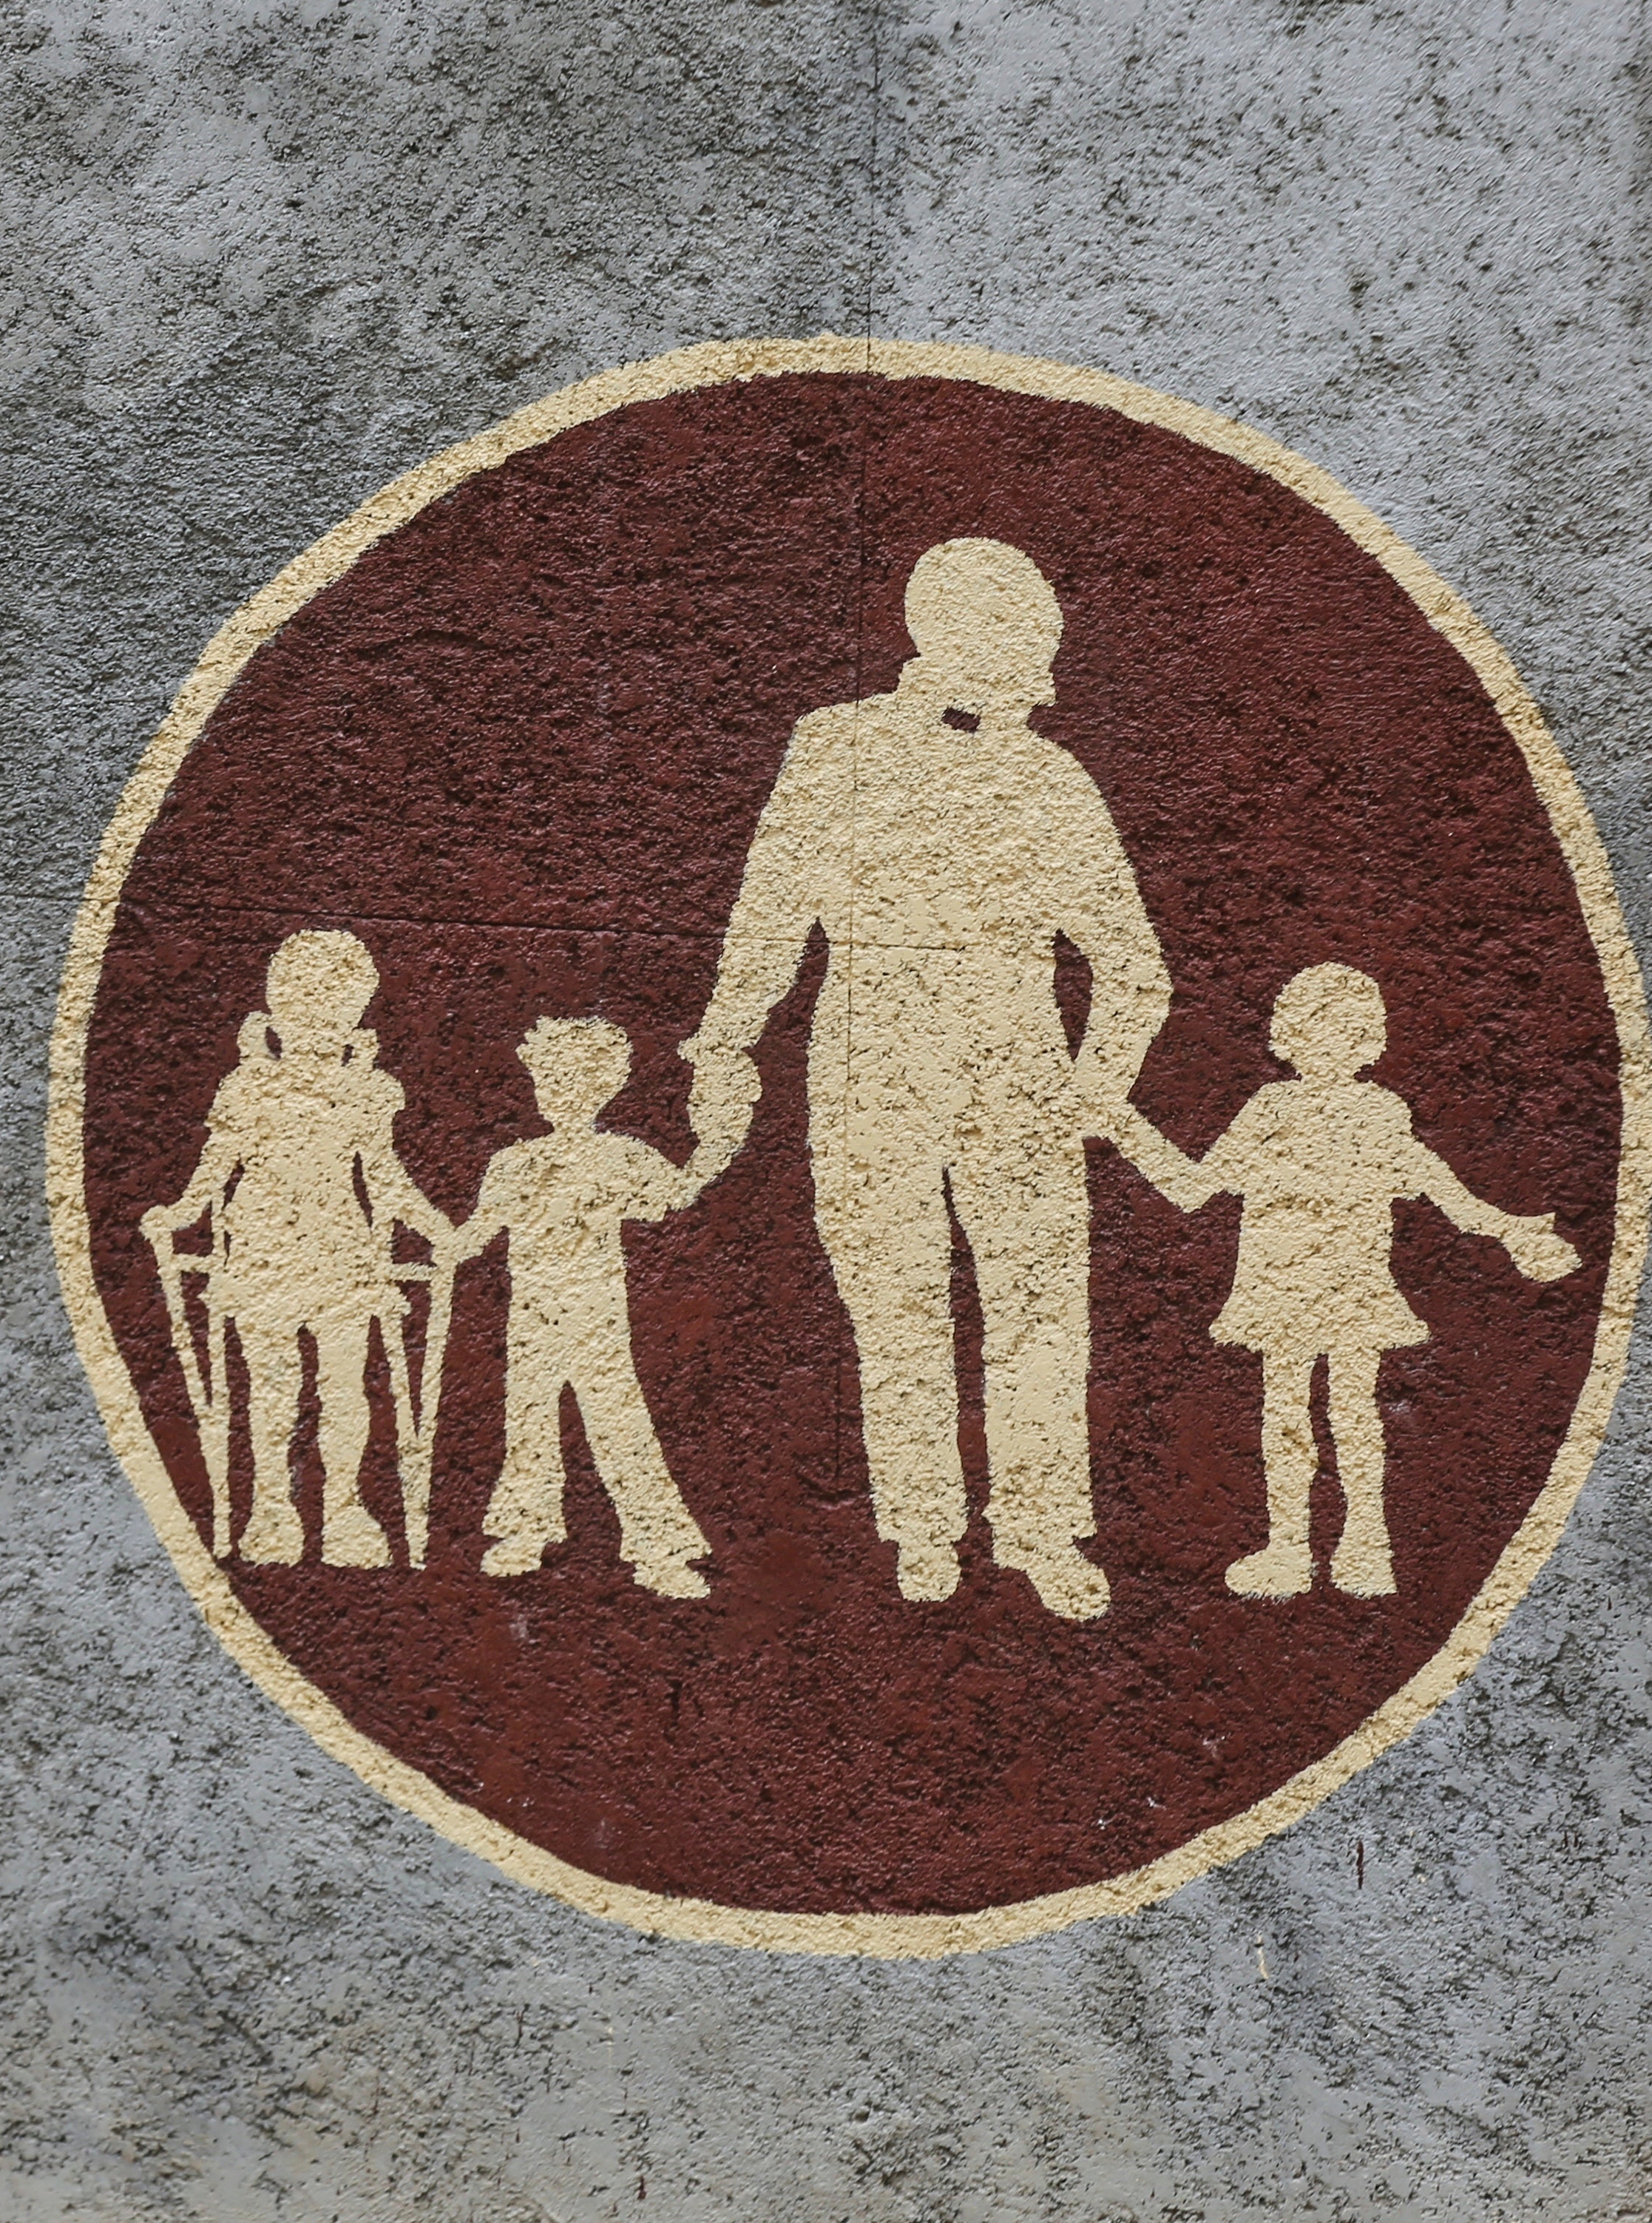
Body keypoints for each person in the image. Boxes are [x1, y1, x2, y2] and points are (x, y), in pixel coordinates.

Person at [679, 537, 1168, 1620]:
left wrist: (1090, 1092)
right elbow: (769, 916)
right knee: (893, 1301)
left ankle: (1041, 1529)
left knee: (1039, 1304)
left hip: (1019, 1060)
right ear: (945, 635)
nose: (1037, 662)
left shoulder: (1051, 778)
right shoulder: (835, 745)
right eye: (1019, 638)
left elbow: (1136, 970)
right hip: (869, 1055)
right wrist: (722, 1042)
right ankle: (923, 1528)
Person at [1113, 963, 1581, 1597]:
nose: (1332, 1043)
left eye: (1348, 1030)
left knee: (1339, 1412)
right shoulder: (1282, 1109)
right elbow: (1195, 1189)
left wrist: (1511, 1230)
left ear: (1367, 1040)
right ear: (1290, 1036)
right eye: (1320, 1028)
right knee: (1303, 1413)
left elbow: (1442, 1188)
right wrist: (1125, 1125)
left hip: (1334, 1287)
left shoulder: (1367, 1113)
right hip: (1292, 1288)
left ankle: (1356, 1544)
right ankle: (1305, 1547)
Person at [143, 929, 456, 1568]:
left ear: (351, 1022)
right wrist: (178, 1214)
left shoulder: (367, 1092)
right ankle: (272, 1507)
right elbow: (214, 1170)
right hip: (263, 1244)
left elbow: (386, 1180)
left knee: (345, 1388)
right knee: (273, 1385)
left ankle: (343, 1507)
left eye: (332, 1016)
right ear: (278, 1014)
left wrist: (436, 1227)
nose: (317, 1029)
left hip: (342, 1248)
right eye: (304, 1012)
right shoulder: (248, 1089)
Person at [450, 1016, 714, 1596]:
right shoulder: (514, 1164)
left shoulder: (622, 1158)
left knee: (621, 1427)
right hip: (532, 1321)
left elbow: (677, 1191)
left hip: (597, 1321)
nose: (561, 1094)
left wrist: (717, 1140)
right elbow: (475, 1232)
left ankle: (660, 1549)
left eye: (576, 1083)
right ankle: (526, 1531)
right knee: (529, 1424)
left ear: (603, 1089)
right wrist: (438, 1248)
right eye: (550, 1081)